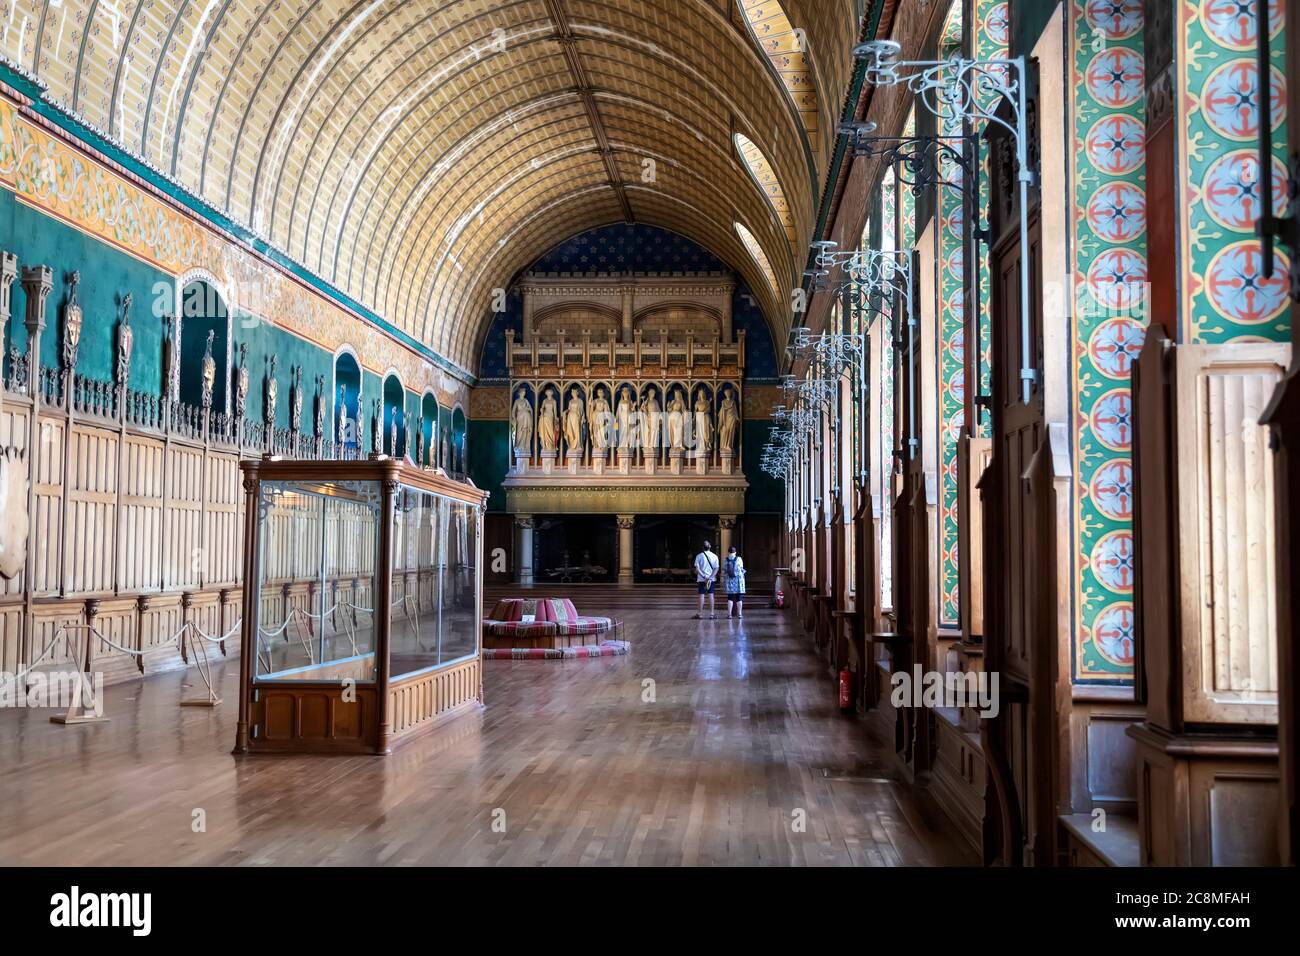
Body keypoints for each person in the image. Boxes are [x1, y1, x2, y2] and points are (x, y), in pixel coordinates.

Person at [693, 540, 720, 619]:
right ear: (710, 546)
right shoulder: (715, 556)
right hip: (711, 580)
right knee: (711, 595)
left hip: (702, 579)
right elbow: (716, 568)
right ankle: (712, 614)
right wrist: (710, 577)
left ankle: (700, 614)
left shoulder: (699, 556)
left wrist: (704, 576)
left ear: (702, 547)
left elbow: (697, 569)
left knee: (701, 595)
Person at [723, 545, 746, 619]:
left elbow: (725, 570)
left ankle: (729, 615)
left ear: (728, 552)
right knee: (739, 598)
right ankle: (739, 614)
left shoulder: (726, 560)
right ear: (735, 552)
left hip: (729, 581)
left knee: (730, 598)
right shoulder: (739, 559)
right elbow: (741, 569)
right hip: (738, 580)